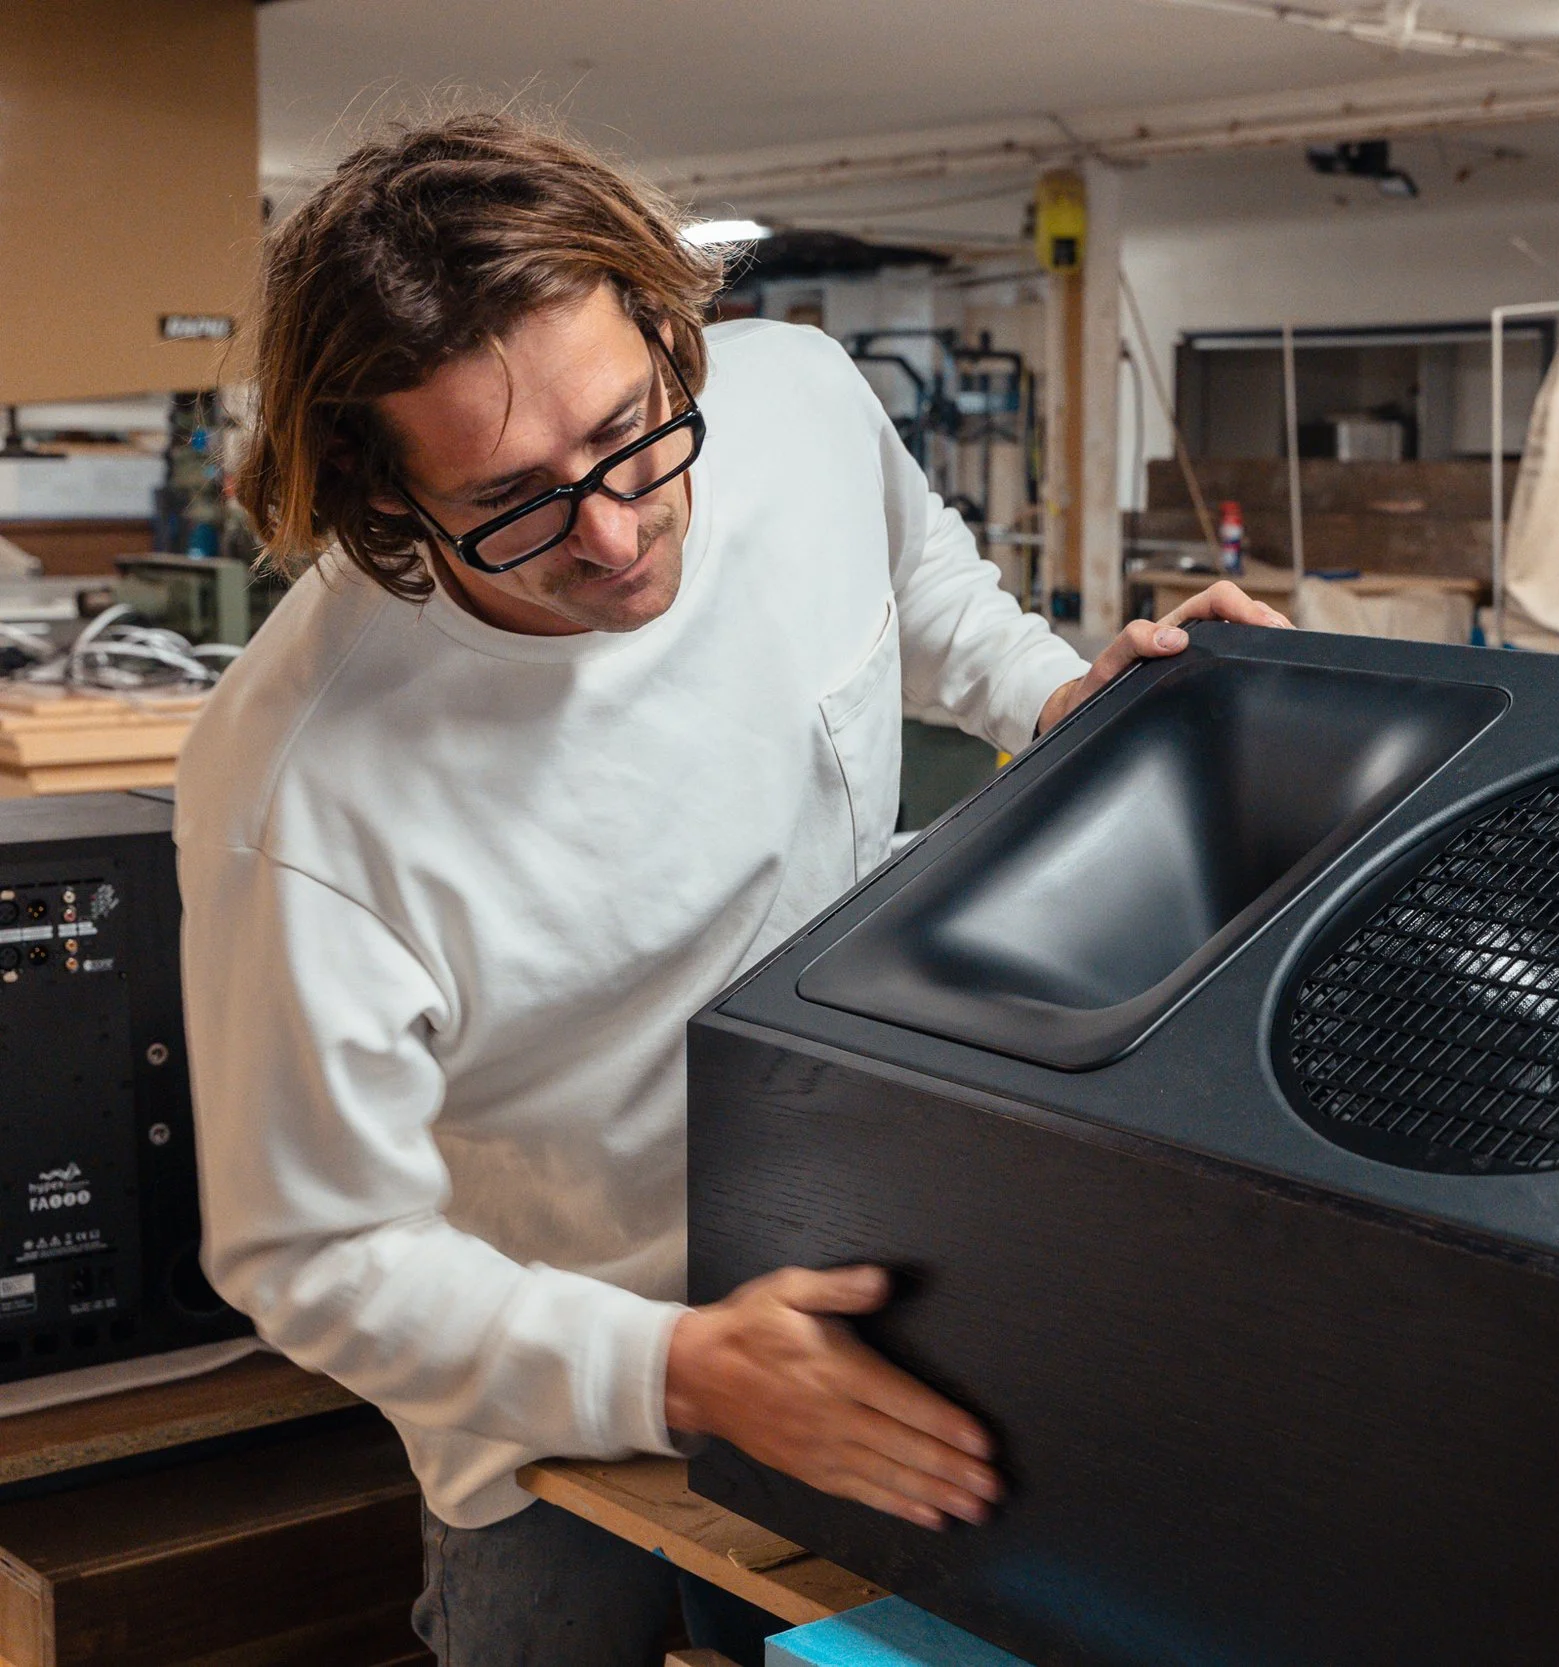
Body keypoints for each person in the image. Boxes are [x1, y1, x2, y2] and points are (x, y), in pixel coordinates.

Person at [177, 112, 1285, 1667]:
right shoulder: (306, 787)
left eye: (633, 435)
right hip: (558, 1389)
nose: (619, 533)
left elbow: (928, 592)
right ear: (378, 493)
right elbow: (312, 1251)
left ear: (665, 327)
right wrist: (675, 1368)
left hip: (897, 1263)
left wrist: (1063, 702)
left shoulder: (796, 402)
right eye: (515, 503)